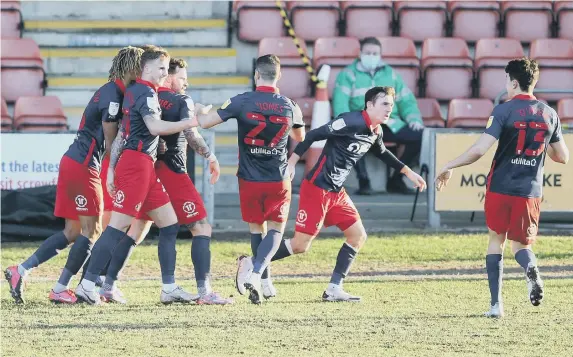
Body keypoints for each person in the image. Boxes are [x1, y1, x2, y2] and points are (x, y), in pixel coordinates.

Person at [236, 86, 427, 304]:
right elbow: (315, 134)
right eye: (384, 104)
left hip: (337, 193)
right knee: (300, 246)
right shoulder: (350, 121)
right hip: (317, 188)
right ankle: (251, 262)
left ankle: (334, 288)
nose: (389, 109)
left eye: (391, 105)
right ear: (369, 105)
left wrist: (409, 172)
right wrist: (292, 161)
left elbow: (382, 152)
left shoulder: (376, 131)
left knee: (358, 236)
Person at [4, 46, 143, 304]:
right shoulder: (113, 96)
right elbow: (112, 143)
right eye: (141, 68)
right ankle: (60, 288)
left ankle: (20, 270)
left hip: (73, 161)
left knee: (73, 231)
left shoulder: (110, 90)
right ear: (133, 68)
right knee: (93, 230)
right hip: (84, 166)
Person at [435, 58, 569, 318]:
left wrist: (449, 165)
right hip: (530, 190)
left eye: (507, 80)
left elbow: (479, 150)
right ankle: (531, 269)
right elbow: (562, 157)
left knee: (497, 241)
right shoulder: (549, 114)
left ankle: (496, 306)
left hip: (500, 187)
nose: (506, 85)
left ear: (514, 82)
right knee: (521, 246)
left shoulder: (503, 111)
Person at [100, 58, 233, 305]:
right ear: (170, 77)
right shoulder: (181, 100)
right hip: (172, 171)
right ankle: (204, 292)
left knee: (137, 230)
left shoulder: (145, 94)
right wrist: (209, 155)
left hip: (147, 171)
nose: (185, 83)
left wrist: (112, 169)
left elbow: (123, 131)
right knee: (201, 227)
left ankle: (108, 284)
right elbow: (191, 134)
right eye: (182, 78)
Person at [75, 46, 198, 305]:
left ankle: (169, 288)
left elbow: (123, 133)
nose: (166, 73)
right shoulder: (145, 92)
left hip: (142, 163)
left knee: (169, 223)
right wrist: (190, 122)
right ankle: (87, 284)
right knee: (117, 226)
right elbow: (154, 127)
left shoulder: (135, 91)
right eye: (162, 68)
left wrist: (111, 168)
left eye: (167, 69)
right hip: (138, 165)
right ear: (147, 69)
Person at [195, 54, 305, 301]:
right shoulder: (290, 105)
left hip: (248, 177)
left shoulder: (241, 101)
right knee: (276, 230)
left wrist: (200, 109)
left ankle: (264, 281)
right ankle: (257, 274)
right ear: (279, 75)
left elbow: (206, 123)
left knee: (257, 228)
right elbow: (300, 138)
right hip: (277, 177)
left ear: (256, 75)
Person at [332, 37, 424, 195]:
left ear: (380, 54)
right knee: (350, 136)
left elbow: (406, 100)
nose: (371, 56)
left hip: (390, 123)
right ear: (360, 53)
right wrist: (349, 123)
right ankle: (364, 182)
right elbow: (340, 104)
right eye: (368, 53)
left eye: (375, 53)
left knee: (420, 135)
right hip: (362, 123)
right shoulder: (347, 74)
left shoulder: (391, 74)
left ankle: (396, 180)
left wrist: (414, 119)